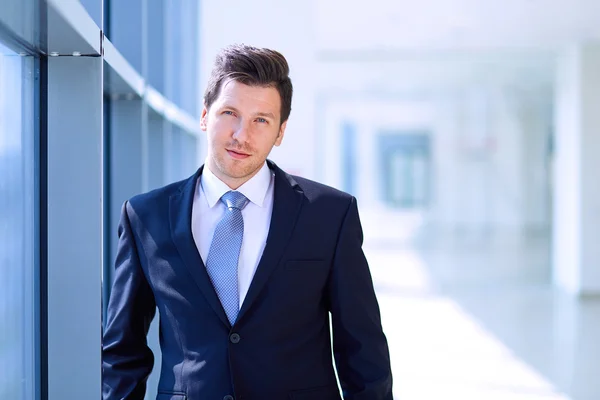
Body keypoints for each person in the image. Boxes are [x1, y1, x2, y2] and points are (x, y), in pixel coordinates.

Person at [102, 43, 393, 400]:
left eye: (261, 120)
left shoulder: (330, 214)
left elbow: (363, 353)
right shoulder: (146, 216)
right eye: (230, 113)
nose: (242, 134)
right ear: (205, 115)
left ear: (280, 132)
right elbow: (122, 353)